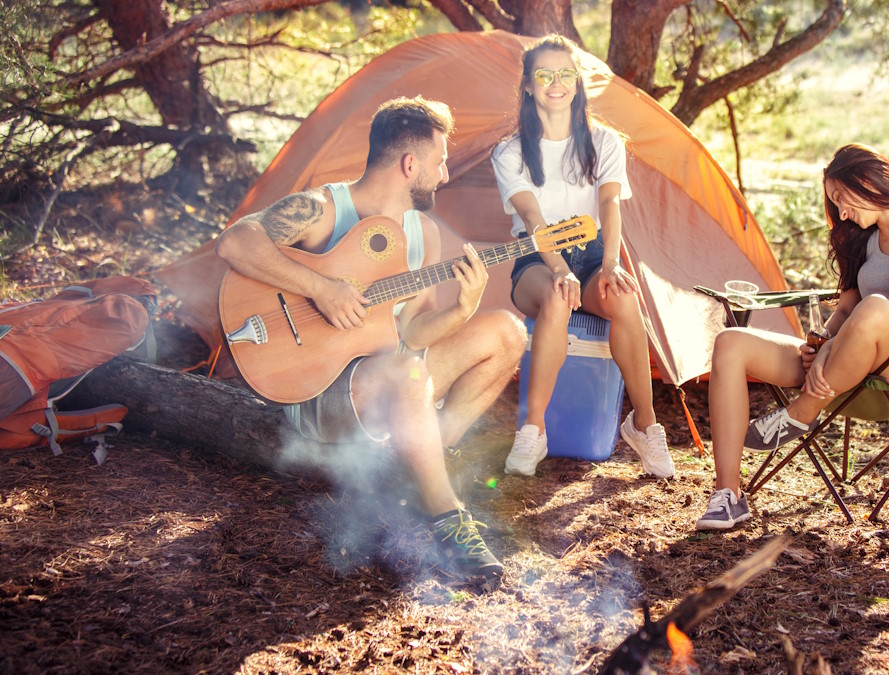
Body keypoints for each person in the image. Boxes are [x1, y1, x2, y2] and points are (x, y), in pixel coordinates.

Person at [215, 97, 526, 579]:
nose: (445, 174)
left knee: (507, 331)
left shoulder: (424, 235)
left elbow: (411, 329)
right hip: (320, 392)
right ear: (410, 163)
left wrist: (464, 309)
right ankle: (449, 520)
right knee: (407, 372)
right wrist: (321, 288)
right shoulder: (321, 207)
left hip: (391, 379)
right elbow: (235, 241)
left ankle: (419, 462)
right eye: (440, 161)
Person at [696, 144, 889, 530]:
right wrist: (820, 341)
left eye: (842, 199)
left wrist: (832, 347)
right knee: (730, 342)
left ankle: (803, 411)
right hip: (841, 365)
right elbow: (848, 308)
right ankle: (727, 495)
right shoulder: (866, 241)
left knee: (878, 307)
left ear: (866, 181)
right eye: (835, 205)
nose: (842, 213)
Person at [490, 35, 674, 479]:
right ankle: (534, 430)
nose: (556, 83)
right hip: (536, 258)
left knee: (624, 300)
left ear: (577, 82)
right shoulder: (509, 152)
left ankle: (643, 425)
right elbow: (532, 217)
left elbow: (610, 205)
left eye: (566, 73)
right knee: (556, 296)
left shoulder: (605, 142)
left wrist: (610, 264)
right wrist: (558, 269)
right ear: (529, 85)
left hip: (592, 255)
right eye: (544, 74)